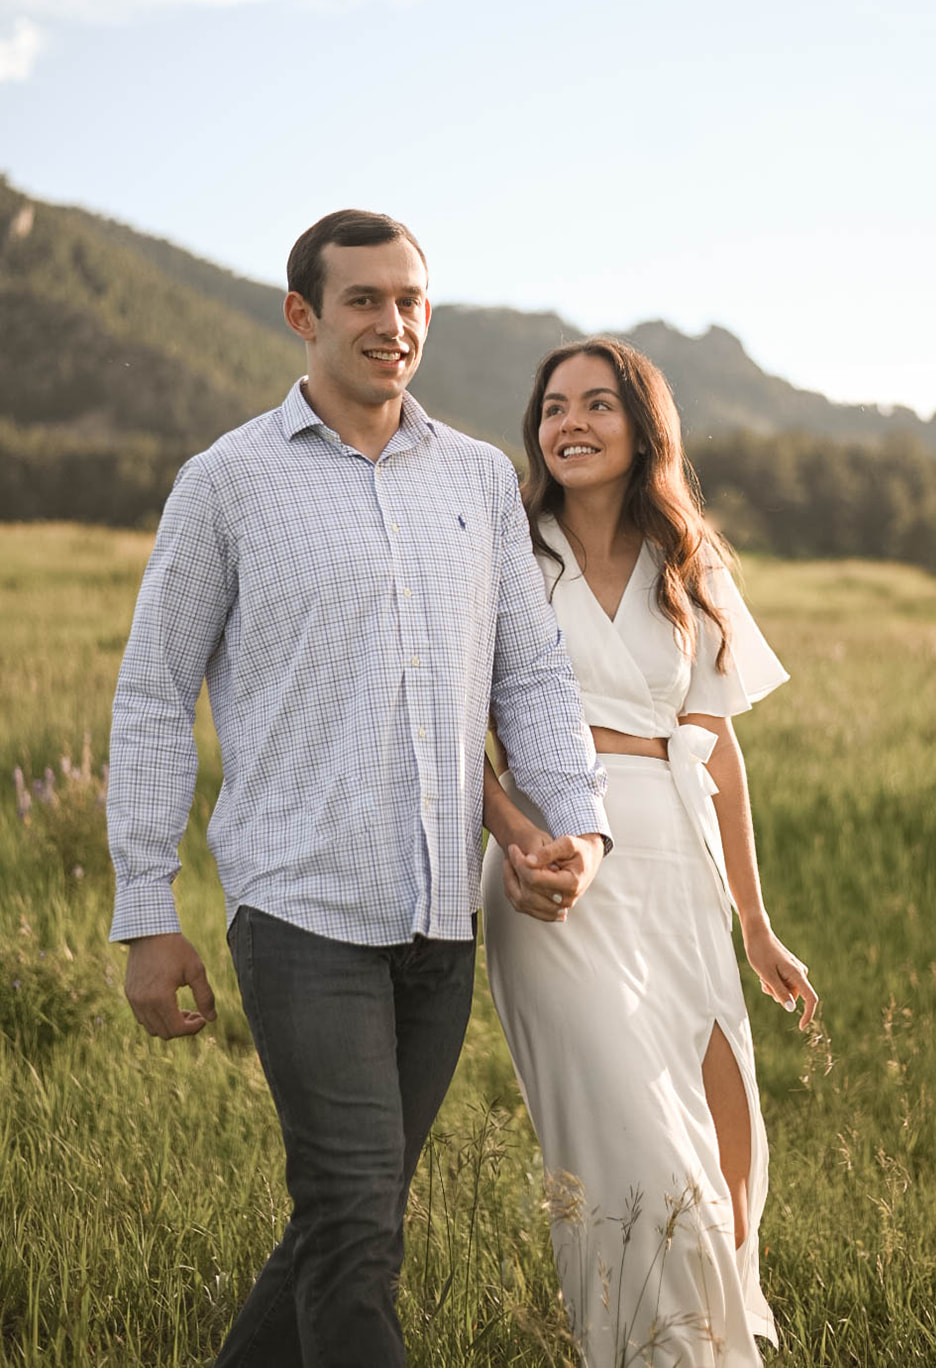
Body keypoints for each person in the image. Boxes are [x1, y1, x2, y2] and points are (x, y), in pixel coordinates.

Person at [106, 210, 613, 1368]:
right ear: (302, 315)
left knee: (351, 1218)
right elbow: (151, 695)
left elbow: (527, 673)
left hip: (440, 919)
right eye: (364, 301)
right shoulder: (225, 483)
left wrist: (573, 825)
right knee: (356, 1229)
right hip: (299, 911)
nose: (394, 325)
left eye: (411, 301)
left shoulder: (480, 480)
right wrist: (146, 910)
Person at [482, 337, 819, 1368]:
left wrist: (755, 922)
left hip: (675, 857)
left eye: (595, 404)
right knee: (627, 1127)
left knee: (723, 1137)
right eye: (551, 407)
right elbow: (453, 723)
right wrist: (511, 825)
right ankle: (653, 1353)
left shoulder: (689, 558)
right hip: (549, 859)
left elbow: (716, 749)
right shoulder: (506, 546)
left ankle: (713, 1345)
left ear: (641, 427)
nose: (569, 423)